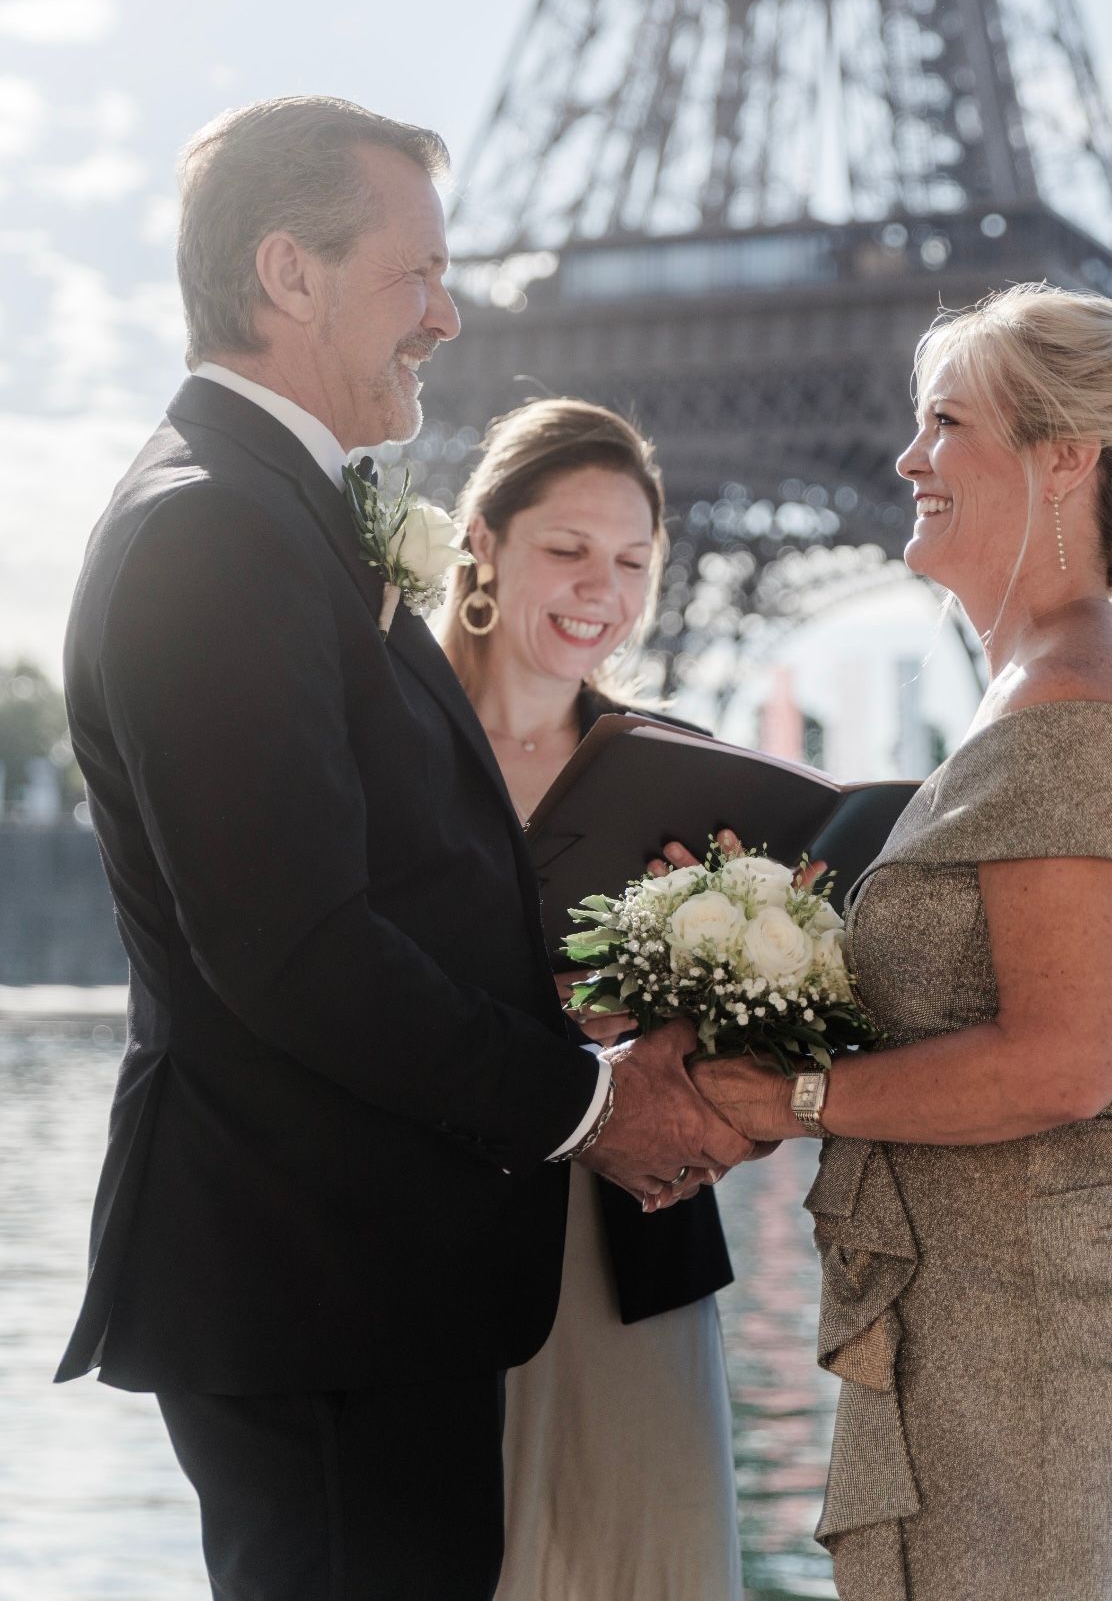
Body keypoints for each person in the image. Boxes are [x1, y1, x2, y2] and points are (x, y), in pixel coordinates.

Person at [56, 96, 751, 1601]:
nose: (448, 315)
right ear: (289, 271)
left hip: (349, 1286)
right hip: (319, 1290)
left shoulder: (266, 515)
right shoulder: (215, 532)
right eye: (417, 272)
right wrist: (586, 1102)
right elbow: (293, 944)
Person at [686, 283, 1112, 1600]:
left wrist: (788, 1094)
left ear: (1060, 458)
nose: (905, 459)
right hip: (994, 1325)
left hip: (1029, 1348)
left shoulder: (1076, 707)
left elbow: (1059, 1065)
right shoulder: (1033, 692)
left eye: (943, 423)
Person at [435, 396, 743, 1601]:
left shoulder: (678, 765)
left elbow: (729, 1062)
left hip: (628, 1264)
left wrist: (695, 1020)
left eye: (631, 561)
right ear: (483, 540)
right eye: (565, 548)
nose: (598, 588)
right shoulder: (375, 742)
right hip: (413, 1255)